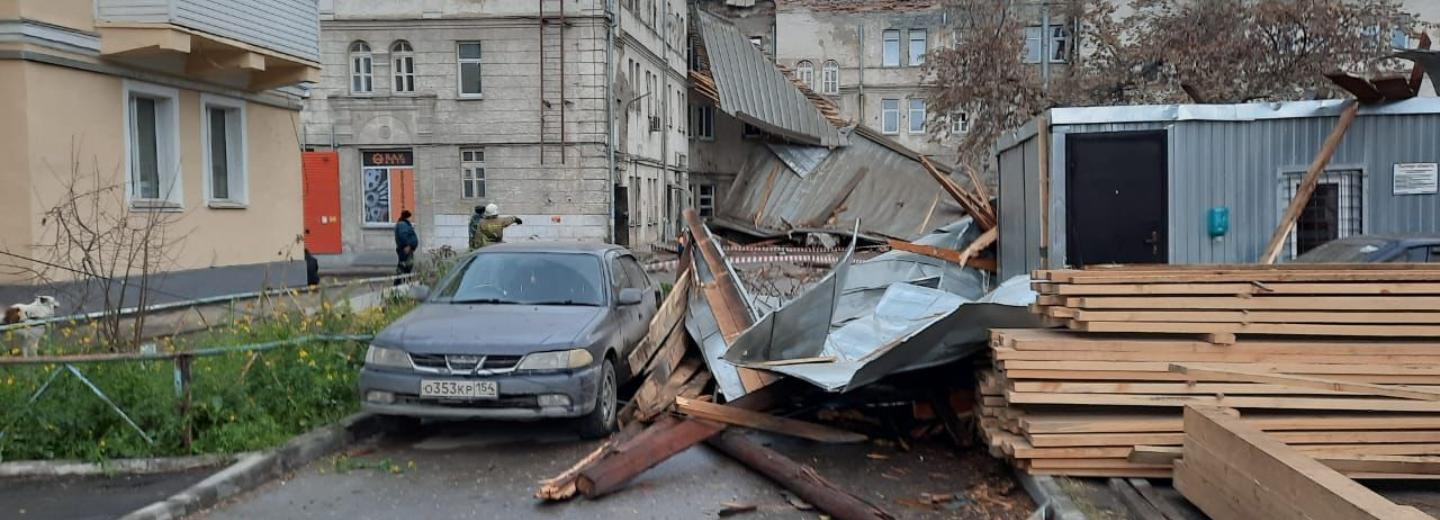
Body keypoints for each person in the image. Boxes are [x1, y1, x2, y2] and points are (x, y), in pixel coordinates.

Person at [394, 210, 418, 283]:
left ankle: (405, 282)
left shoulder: (404, 224)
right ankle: (400, 283)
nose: (411, 218)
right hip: (405, 249)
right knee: (404, 266)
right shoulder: (403, 224)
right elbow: (403, 236)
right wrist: (408, 245)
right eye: (410, 217)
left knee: (407, 266)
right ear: (407, 217)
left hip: (407, 249)